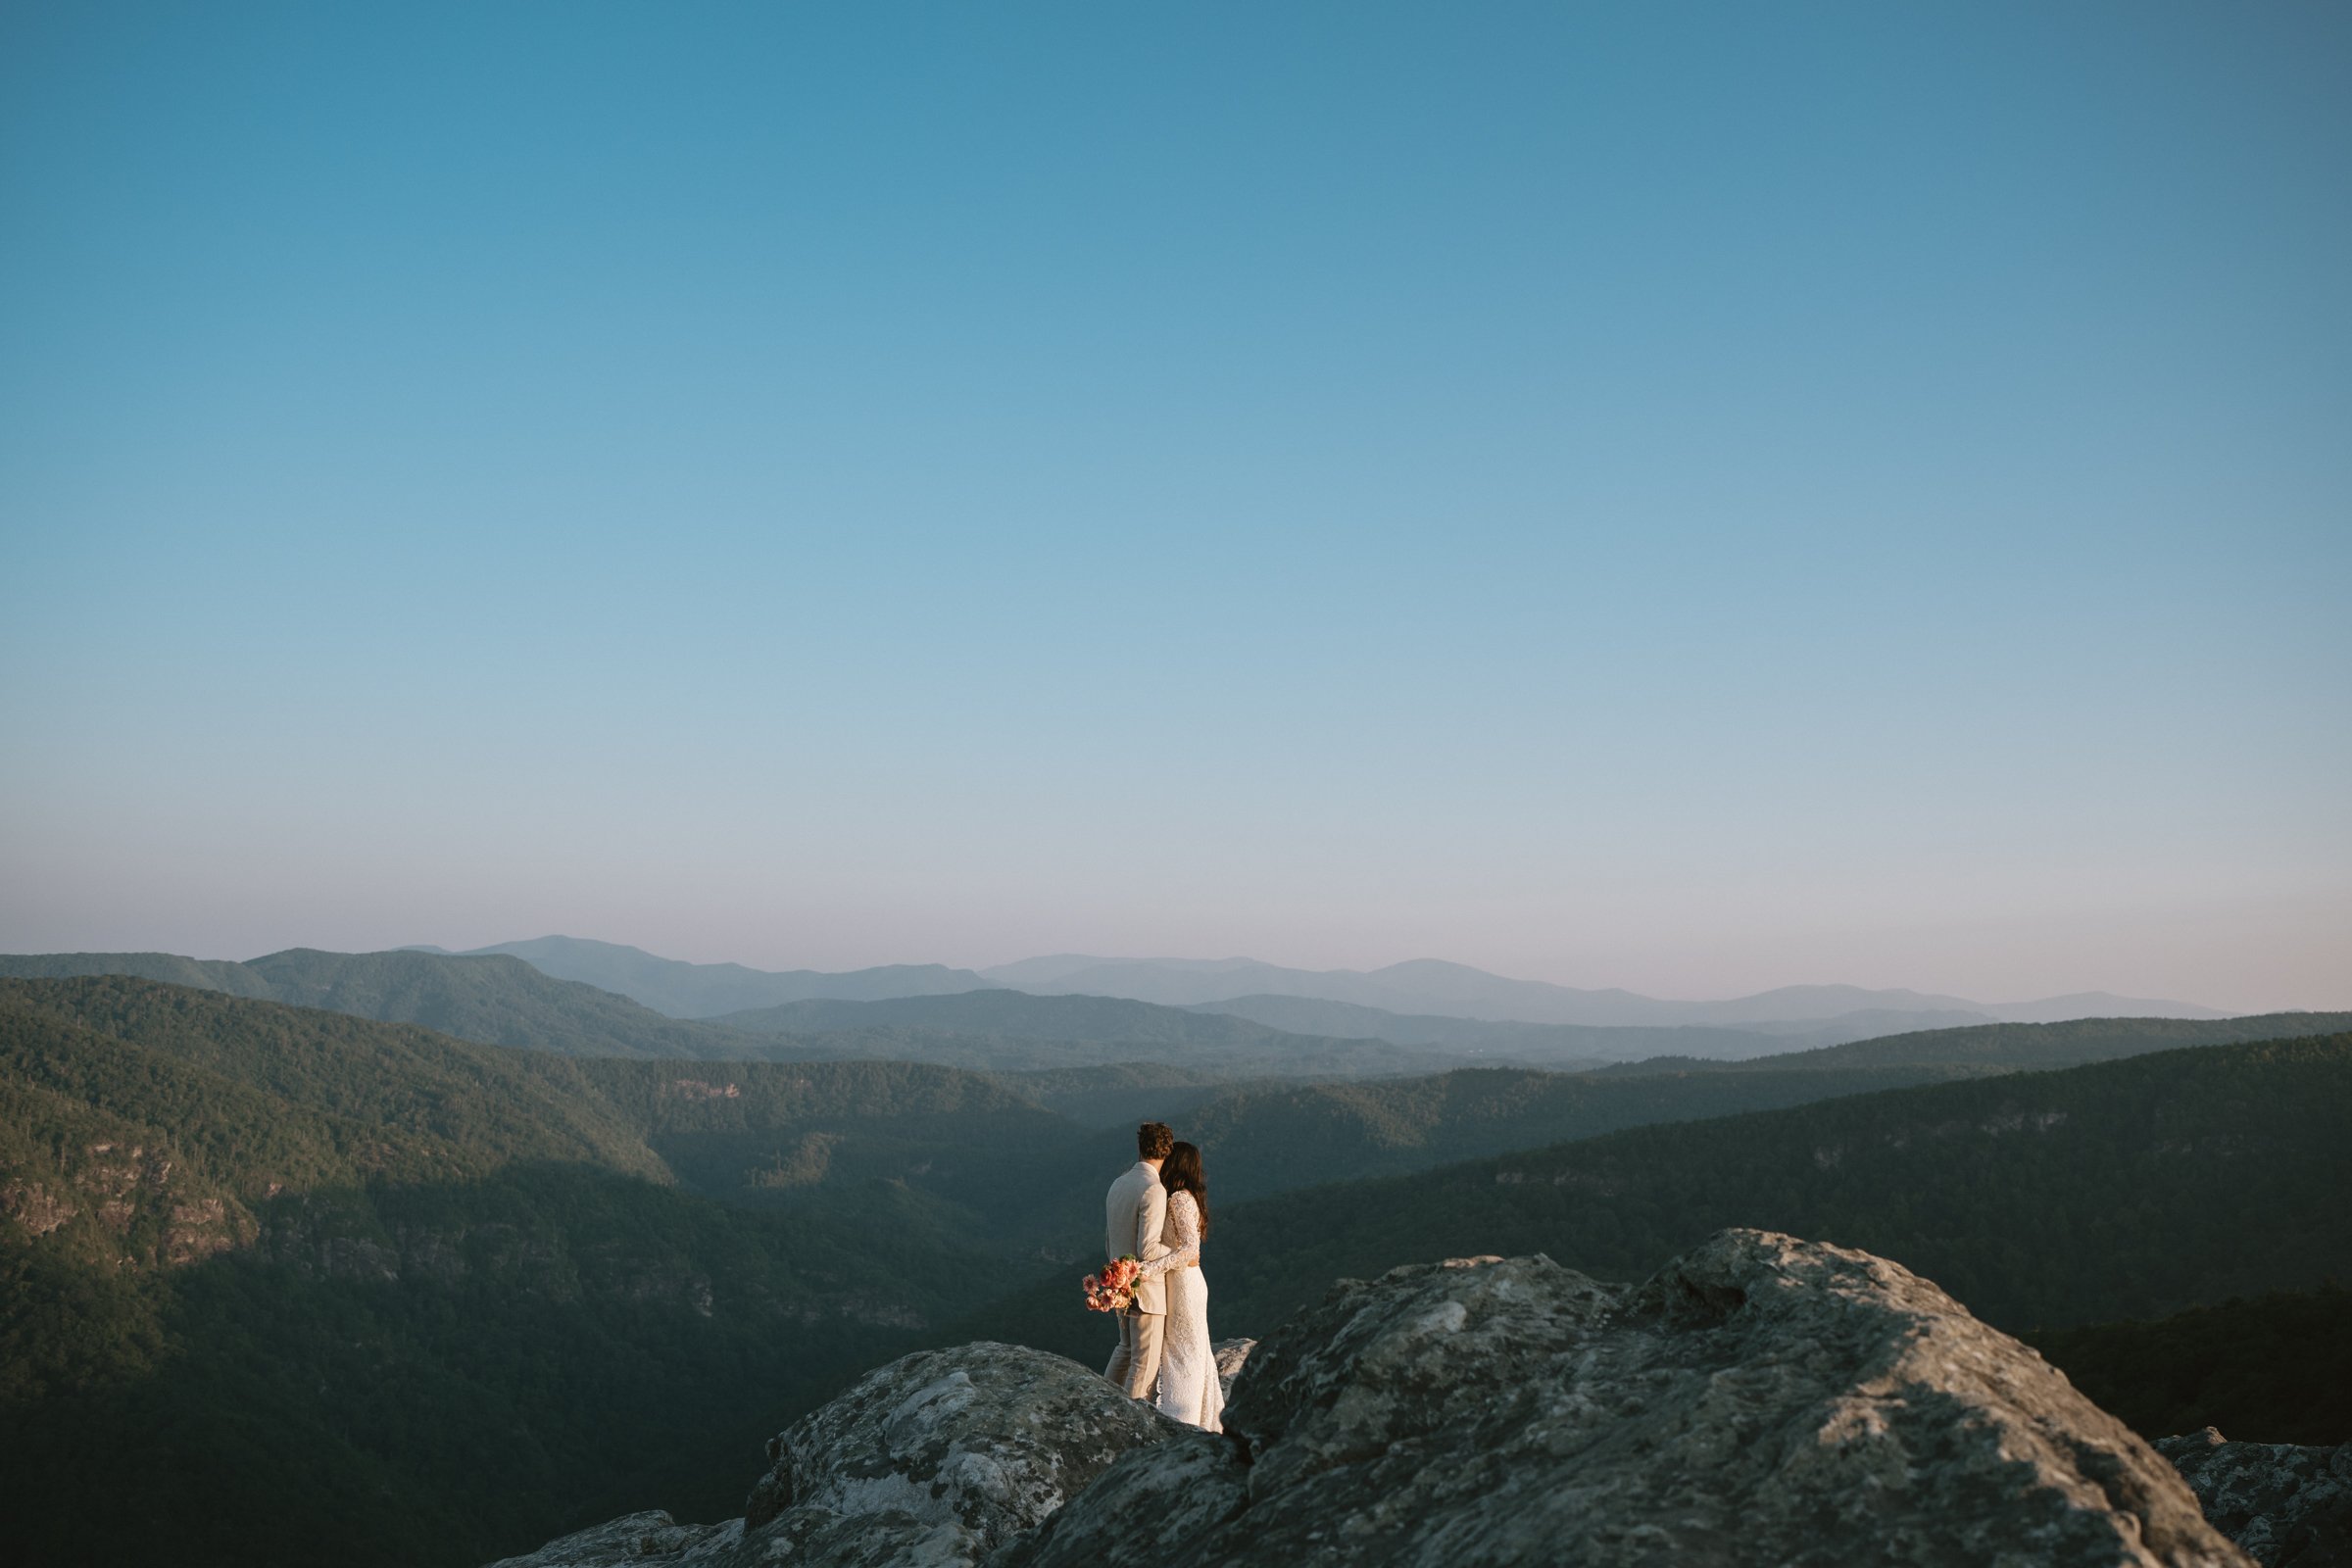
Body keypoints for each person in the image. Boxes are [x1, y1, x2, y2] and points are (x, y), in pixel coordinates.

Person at [1137, 1140, 1222, 1431]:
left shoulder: (1179, 1199)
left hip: (1184, 1284)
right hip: (1183, 1282)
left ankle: (1180, 1419)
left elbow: (1188, 1250)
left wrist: (1149, 1267)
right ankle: (1198, 1418)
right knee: (1188, 1349)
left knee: (1182, 1352)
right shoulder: (1185, 1197)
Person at [1103, 1120, 1174, 1400]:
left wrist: (1117, 1279)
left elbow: (1108, 1240)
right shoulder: (1154, 1189)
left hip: (1120, 1286)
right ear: (1167, 1152)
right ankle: (1131, 1425)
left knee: (1124, 1351)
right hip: (1147, 1290)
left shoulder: (1118, 1184)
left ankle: (1100, 1402)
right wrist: (1180, 1254)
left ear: (1140, 1147)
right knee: (1143, 1365)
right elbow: (1148, 1249)